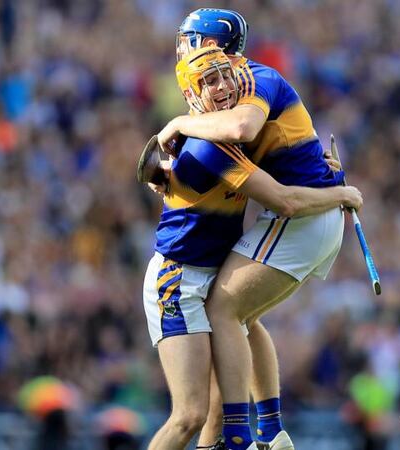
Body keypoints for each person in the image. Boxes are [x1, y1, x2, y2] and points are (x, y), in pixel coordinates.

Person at [143, 45, 360, 450]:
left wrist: (315, 164)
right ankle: (247, 437)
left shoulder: (219, 134)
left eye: (224, 74)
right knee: (189, 415)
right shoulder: (209, 146)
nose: (223, 86)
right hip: (177, 282)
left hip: (205, 275)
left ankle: (258, 433)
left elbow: (265, 147)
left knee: (239, 330)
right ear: (191, 95)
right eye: (208, 81)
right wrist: (341, 194)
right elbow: (284, 201)